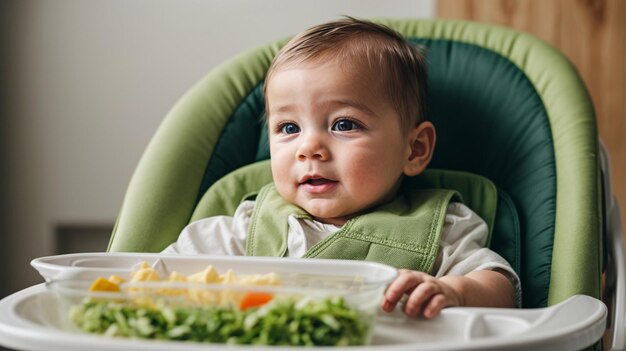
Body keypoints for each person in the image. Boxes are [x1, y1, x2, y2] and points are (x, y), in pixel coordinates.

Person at [163, 17, 519, 318]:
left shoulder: (440, 227)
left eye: (344, 125)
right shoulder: (247, 229)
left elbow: (499, 286)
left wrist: (453, 290)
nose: (309, 148)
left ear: (414, 149)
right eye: (289, 128)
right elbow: (158, 277)